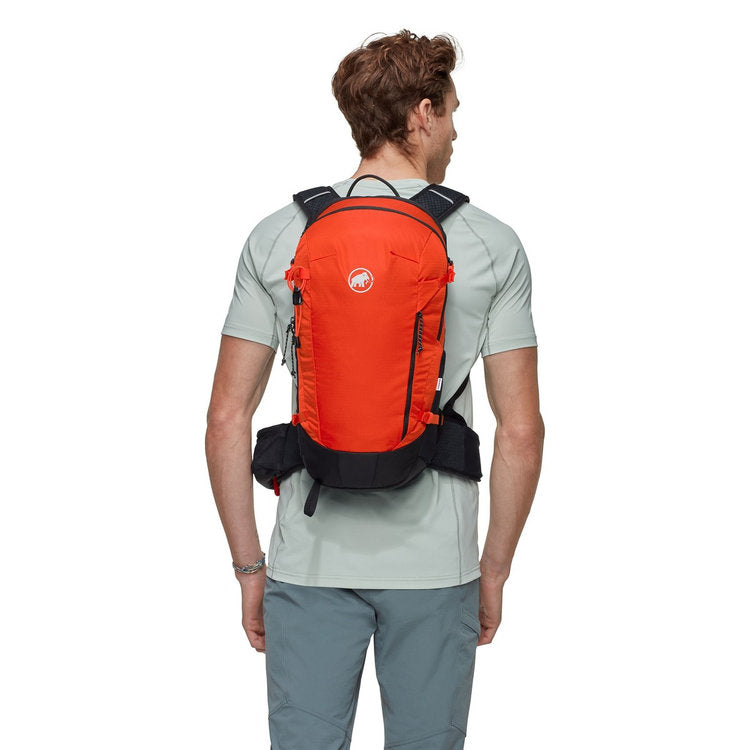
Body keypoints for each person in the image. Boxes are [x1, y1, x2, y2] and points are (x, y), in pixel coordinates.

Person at [205, 29, 545, 750]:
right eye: (451, 111)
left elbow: (227, 418)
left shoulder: (279, 236)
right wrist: (493, 570)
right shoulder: (490, 243)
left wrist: (249, 568)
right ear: (422, 114)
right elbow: (521, 429)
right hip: (437, 565)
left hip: (308, 560)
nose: (456, 130)